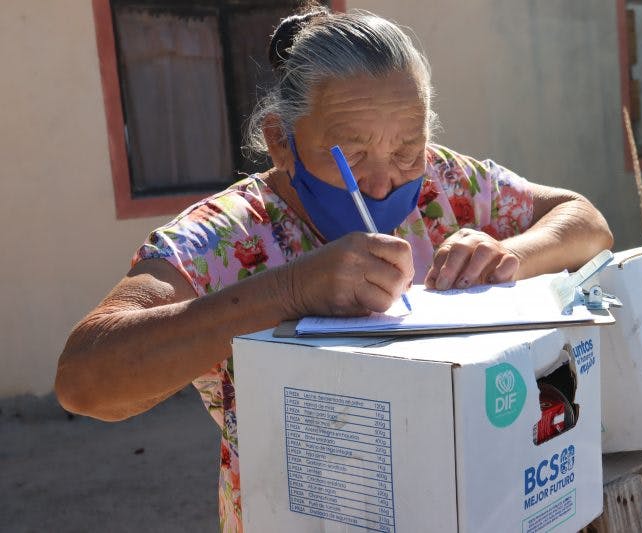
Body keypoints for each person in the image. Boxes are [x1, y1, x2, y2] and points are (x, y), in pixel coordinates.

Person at [55, 5, 613, 531]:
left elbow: (584, 221)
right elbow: (83, 380)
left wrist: (510, 253)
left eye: (406, 150)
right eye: (351, 154)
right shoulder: (224, 236)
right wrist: (291, 291)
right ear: (281, 143)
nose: (381, 184)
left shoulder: (445, 183)